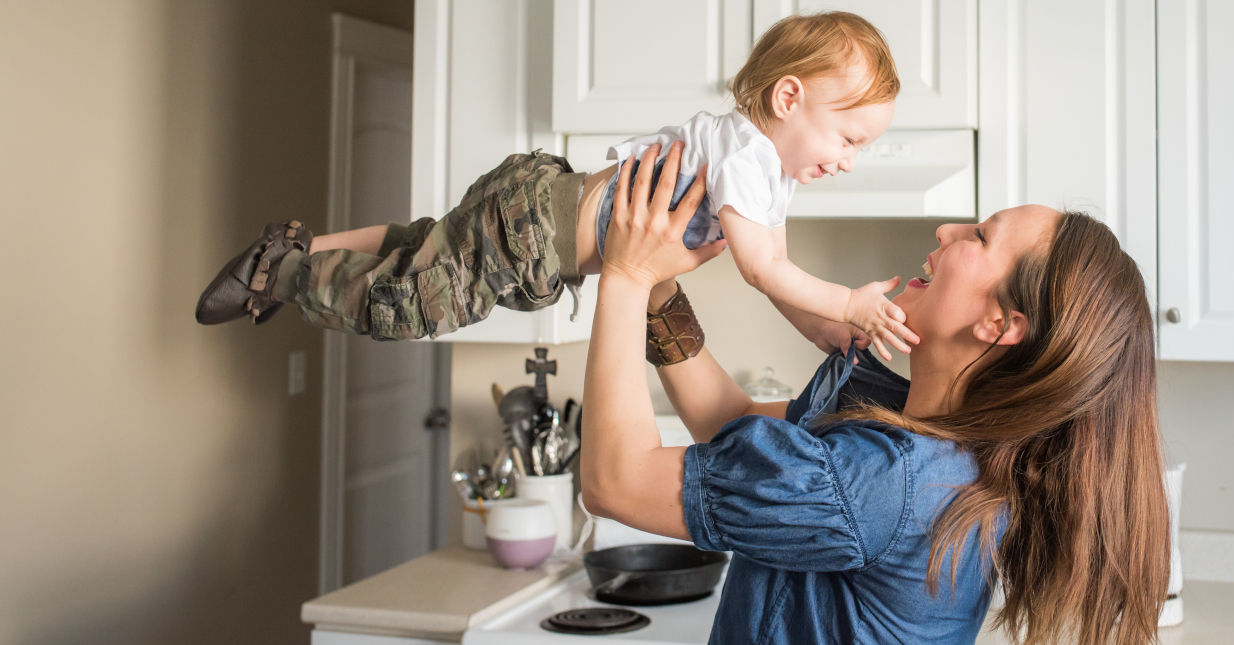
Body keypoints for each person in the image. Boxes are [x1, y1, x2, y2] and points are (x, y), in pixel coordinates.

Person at [584, 142, 1170, 645]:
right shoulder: (904, 432)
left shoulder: (884, 483)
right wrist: (659, 295)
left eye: (981, 235)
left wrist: (626, 275)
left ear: (999, 322)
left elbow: (615, 482)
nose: (947, 230)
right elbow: (729, 428)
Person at [193, 11, 916, 360]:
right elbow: (765, 270)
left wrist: (824, 327)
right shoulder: (747, 155)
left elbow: (780, 276)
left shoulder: (765, 173)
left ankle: (299, 242)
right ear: (788, 100)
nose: (850, 159)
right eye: (848, 137)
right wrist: (851, 300)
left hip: (536, 203)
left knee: (423, 245)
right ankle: (282, 273)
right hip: (533, 235)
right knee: (406, 306)